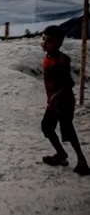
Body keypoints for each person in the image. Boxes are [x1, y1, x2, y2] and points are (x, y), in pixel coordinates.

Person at [39, 26, 90, 175]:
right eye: (44, 39)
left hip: (63, 101)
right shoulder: (49, 57)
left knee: (67, 130)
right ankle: (61, 154)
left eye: (48, 40)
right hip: (54, 101)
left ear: (57, 43)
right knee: (47, 127)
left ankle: (82, 161)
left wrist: (55, 97)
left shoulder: (60, 60)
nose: (44, 43)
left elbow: (69, 84)